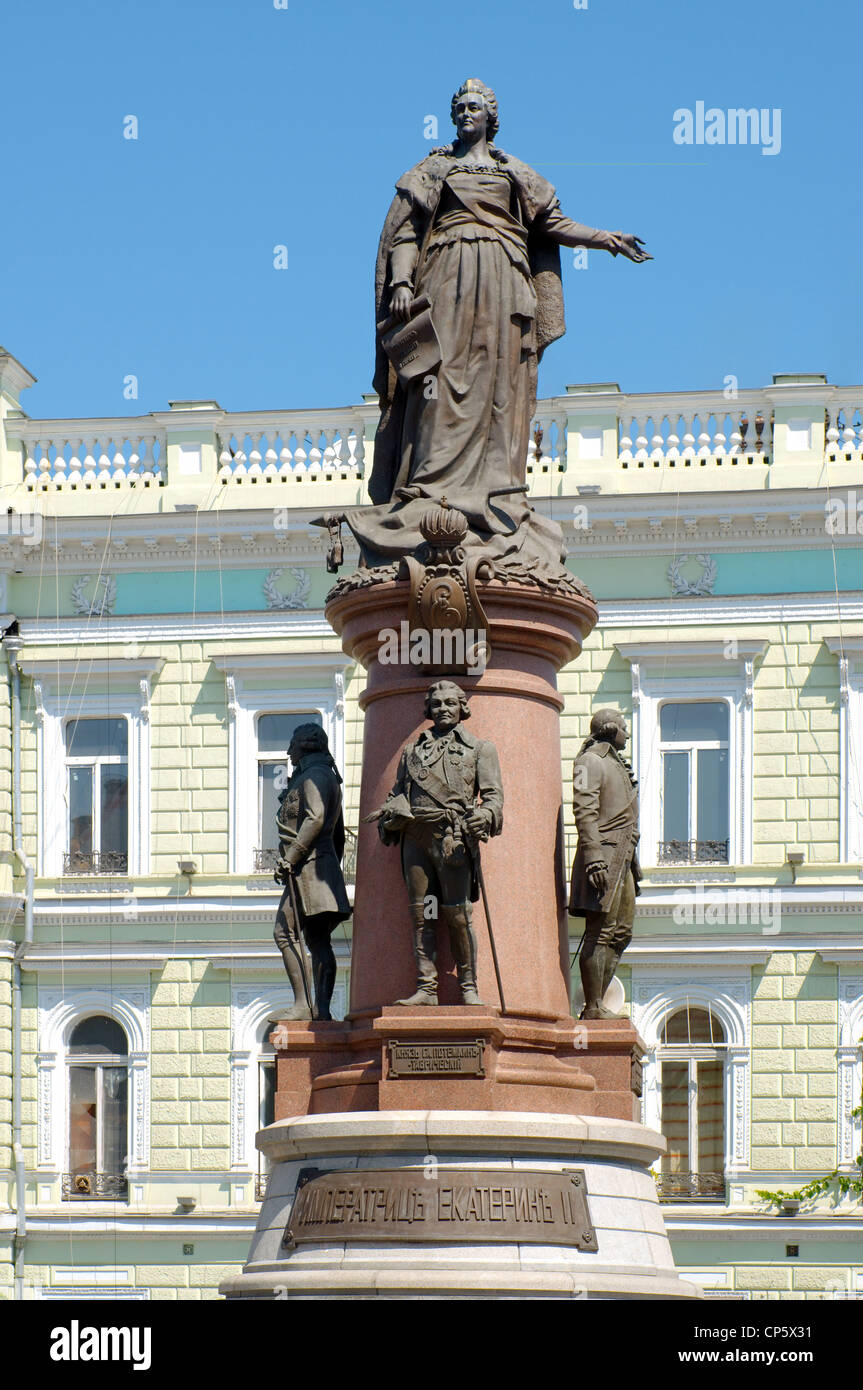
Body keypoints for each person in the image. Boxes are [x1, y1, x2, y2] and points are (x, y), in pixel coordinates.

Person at [345, 77, 650, 572]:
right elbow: (405, 233)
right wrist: (402, 283)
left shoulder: (514, 174)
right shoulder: (434, 169)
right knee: (438, 381)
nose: (466, 113)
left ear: (491, 117)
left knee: (499, 387)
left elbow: (553, 223)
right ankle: (428, 490)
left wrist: (606, 239)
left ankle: (497, 494)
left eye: (475, 107)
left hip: (504, 284)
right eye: (459, 107)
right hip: (444, 278)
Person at [369, 681, 503, 1004]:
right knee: (424, 913)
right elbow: (396, 794)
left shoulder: (480, 749)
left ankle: (468, 985)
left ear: (462, 708)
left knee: (457, 914)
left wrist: (484, 816)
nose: (443, 708)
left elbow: (494, 798)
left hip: (451, 839)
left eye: (450, 703)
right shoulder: (412, 752)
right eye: (437, 704)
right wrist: (391, 815)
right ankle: (427, 988)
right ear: (428, 710)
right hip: (416, 839)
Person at [273, 724, 351, 1021]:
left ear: (305, 745)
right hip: (317, 868)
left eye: (291, 743)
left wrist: (292, 858)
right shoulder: (320, 775)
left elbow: (315, 819)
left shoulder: (314, 776)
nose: (288, 750)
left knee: (285, 932)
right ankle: (318, 1009)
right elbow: (340, 837)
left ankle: (304, 1005)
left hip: (308, 868)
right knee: (317, 940)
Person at [568, 708, 641, 1020]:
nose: (627, 733)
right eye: (624, 728)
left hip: (624, 855)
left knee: (621, 932)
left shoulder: (615, 764)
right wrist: (594, 859)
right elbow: (584, 810)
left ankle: (598, 1002)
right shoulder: (591, 761)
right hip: (605, 857)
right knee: (601, 930)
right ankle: (593, 1006)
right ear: (611, 729)